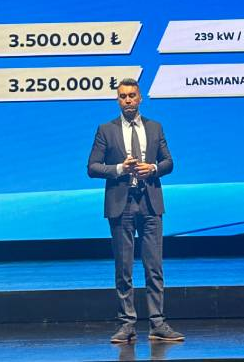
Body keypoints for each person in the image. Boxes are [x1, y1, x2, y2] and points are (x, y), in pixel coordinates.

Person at [87, 78, 185, 344]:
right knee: (124, 268)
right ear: (117, 100)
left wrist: (152, 168)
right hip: (122, 204)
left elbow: (169, 162)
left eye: (132, 95)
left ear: (140, 98)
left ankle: (157, 324)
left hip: (150, 203)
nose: (128, 100)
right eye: (123, 96)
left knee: (154, 267)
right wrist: (120, 168)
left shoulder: (155, 127)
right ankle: (126, 325)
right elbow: (92, 167)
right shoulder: (106, 130)